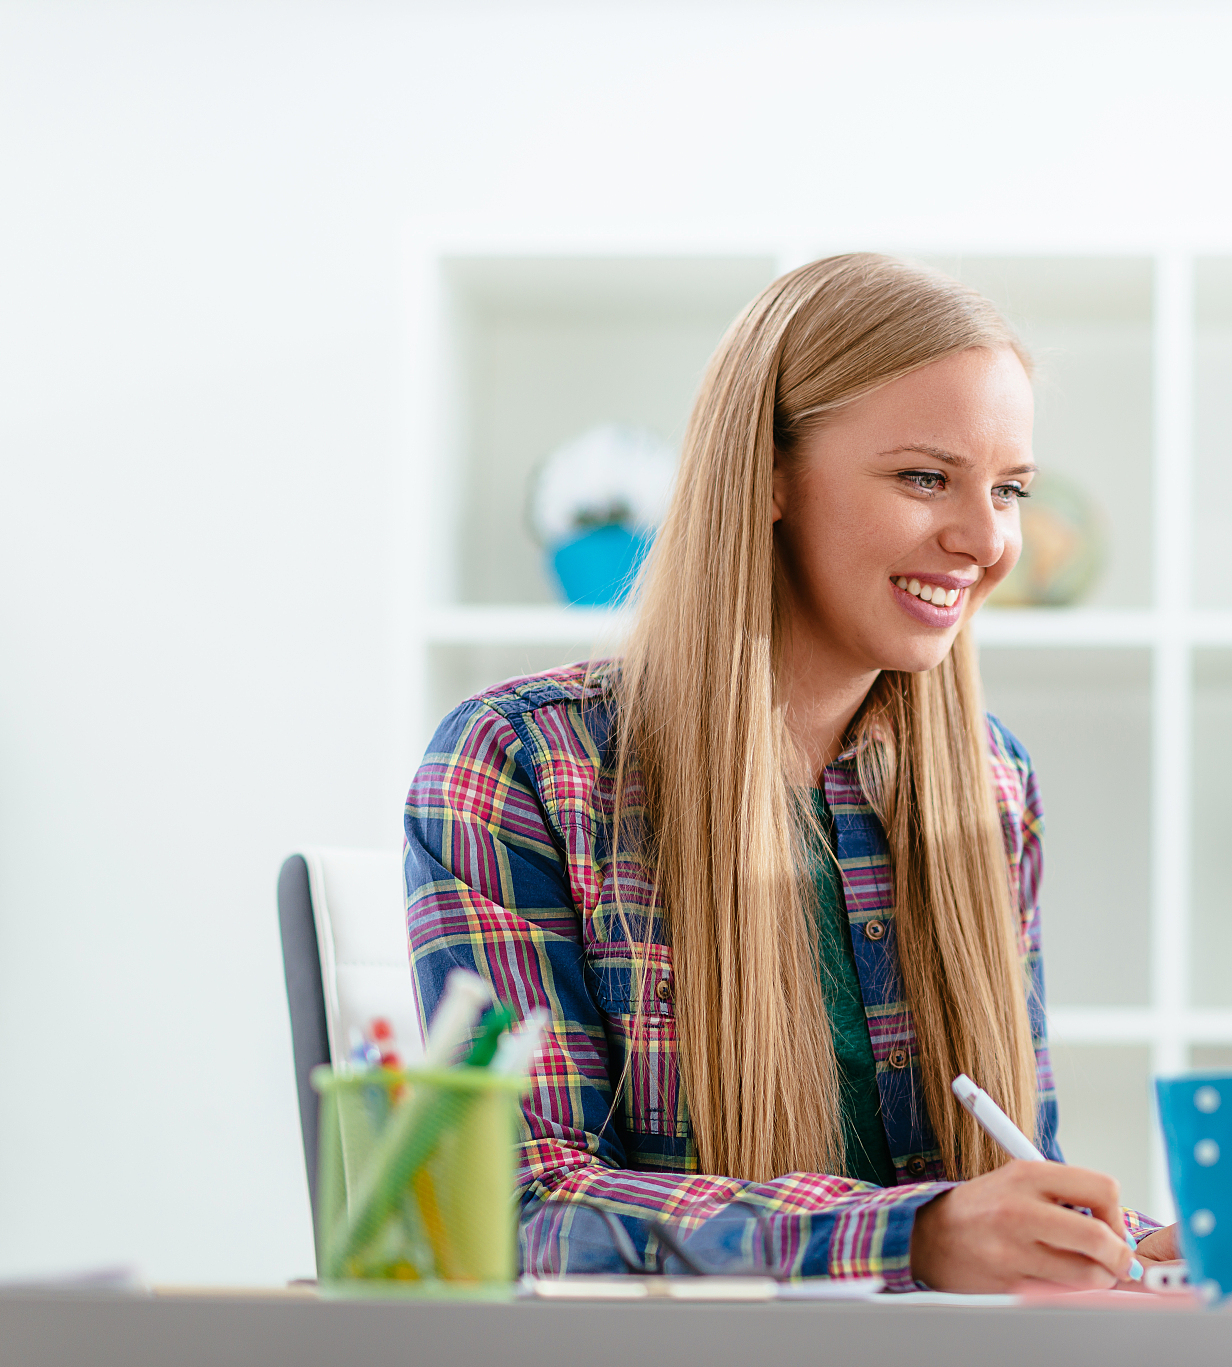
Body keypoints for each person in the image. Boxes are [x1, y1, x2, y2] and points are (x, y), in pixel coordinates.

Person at [405, 253, 1180, 1290]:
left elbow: (998, 1174)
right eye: (923, 476)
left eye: (1007, 489)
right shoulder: (522, 765)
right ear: (766, 472)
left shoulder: (991, 784)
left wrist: (1087, 1236)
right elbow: (505, 1204)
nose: (987, 539)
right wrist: (919, 1234)